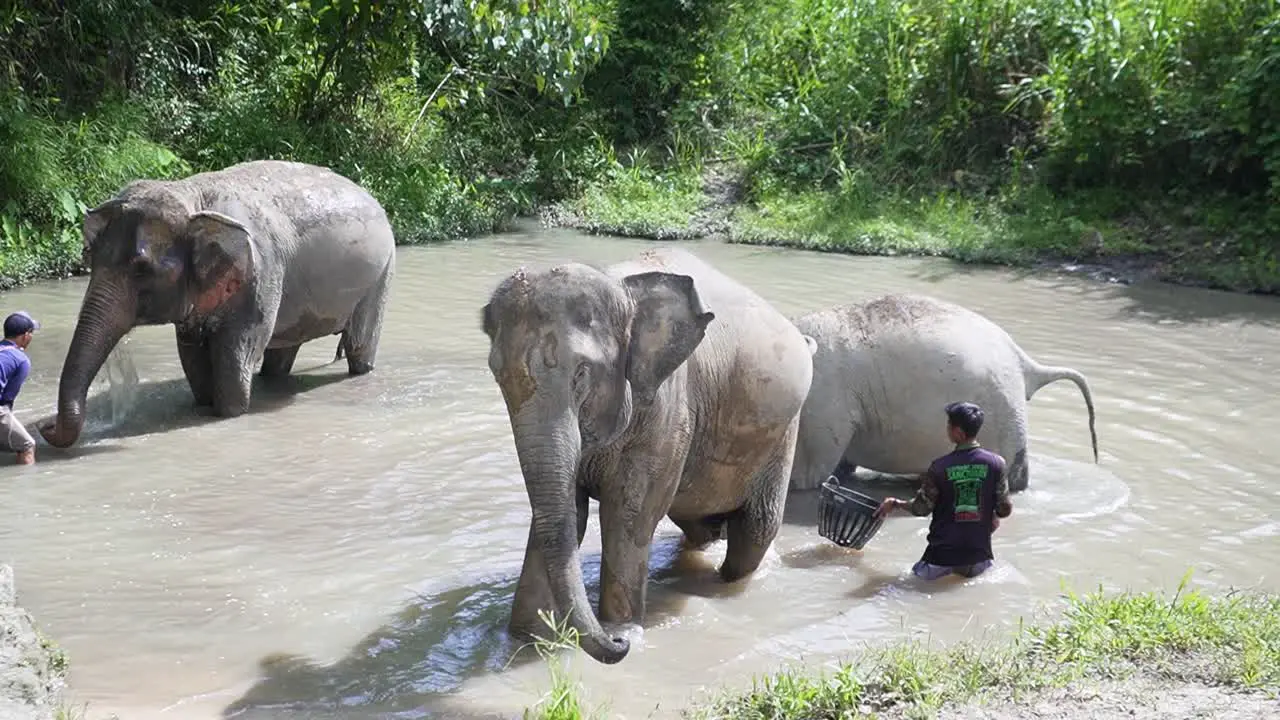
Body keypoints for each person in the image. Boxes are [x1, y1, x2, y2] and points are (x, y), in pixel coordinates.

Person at [874, 401, 1012, 581]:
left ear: (958, 432)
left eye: (949, 425)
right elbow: (1004, 509)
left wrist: (895, 503)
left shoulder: (939, 467)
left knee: (904, 586)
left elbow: (921, 509)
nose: (947, 428)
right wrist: (991, 515)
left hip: (941, 557)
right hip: (978, 557)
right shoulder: (997, 464)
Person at [1, 311, 40, 465]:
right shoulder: (20, 359)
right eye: (31, 333)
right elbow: (6, 399)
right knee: (27, 445)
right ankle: (24, 486)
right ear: (25, 335)